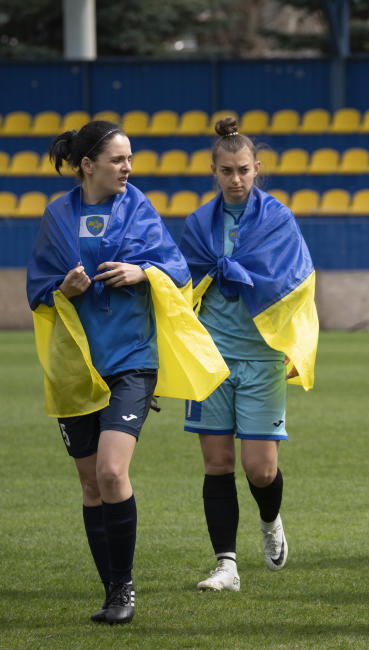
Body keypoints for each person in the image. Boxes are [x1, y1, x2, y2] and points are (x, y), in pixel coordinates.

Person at [27, 120, 227, 624]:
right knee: (91, 486)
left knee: (112, 472)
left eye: (130, 158)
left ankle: (123, 591)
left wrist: (142, 272)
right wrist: (65, 288)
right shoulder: (57, 215)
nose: (128, 168)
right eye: (118, 160)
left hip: (132, 361)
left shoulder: (137, 206)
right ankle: (112, 589)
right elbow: (38, 289)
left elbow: (176, 269)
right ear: (88, 165)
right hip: (77, 368)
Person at [178, 117, 319, 592]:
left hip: (262, 359)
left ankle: (271, 519)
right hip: (211, 359)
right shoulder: (198, 223)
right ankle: (226, 565)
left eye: (243, 170)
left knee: (261, 470)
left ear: (257, 168)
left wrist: (290, 341)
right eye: (226, 171)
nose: (236, 179)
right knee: (217, 465)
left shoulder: (278, 218)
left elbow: (296, 282)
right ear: (213, 171)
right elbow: (182, 288)